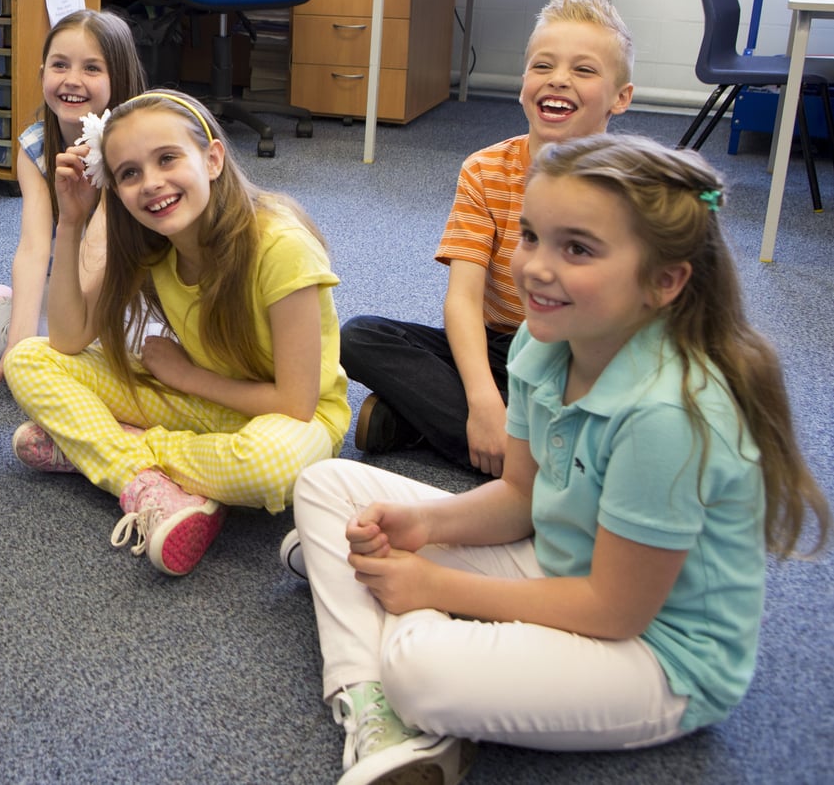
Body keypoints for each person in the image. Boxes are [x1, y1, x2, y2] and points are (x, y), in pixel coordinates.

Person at [284, 134, 829, 785]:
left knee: (419, 667)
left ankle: (379, 637)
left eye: (576, 248)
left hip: (657, 653)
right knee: (323, 483)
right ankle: (373, 701)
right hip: (561, 557)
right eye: (530, 235)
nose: (533, 266)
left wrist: (437, 585)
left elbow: (613, 609)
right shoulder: (541, 346)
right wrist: (425, 526)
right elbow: (519, 499)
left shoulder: (668, 413)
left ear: (664, 280)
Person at [3, 90, 349, 576]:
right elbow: (67, 340)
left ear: (212, 159)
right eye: (129, 173)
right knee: (28, 359)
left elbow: (297, 403)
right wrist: (74, 221)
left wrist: (185, 378)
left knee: (269, 468)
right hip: (202, 408)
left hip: (294, 418)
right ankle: (151, 484)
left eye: (167, 159)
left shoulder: (281, 245)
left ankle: (103, 449)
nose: (151, 184)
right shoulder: (151, 243)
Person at [339, 0, 635, 477]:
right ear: (524, 84)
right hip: (501, 349)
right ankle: (533, 456)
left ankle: (426, 425)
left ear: (621, 97)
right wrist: (481, 403)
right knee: (360, 336)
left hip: (585, 359)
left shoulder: (636, 186)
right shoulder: (485, 169)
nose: (558, 78)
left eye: (584, 70)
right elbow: (463, 300)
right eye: (543, 65)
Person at [0, 9, 145, 388]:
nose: (72, 81)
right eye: (60, 65)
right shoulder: (36, 147)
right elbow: (34, 248)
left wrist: (75, 334)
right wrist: (18, 350)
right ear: (42, 74)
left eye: (92, 69)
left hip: (128, 287)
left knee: (132, 356)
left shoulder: (136, 147)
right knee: (20, 347)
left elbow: (99, 252)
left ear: (120, 77)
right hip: (63, 280)